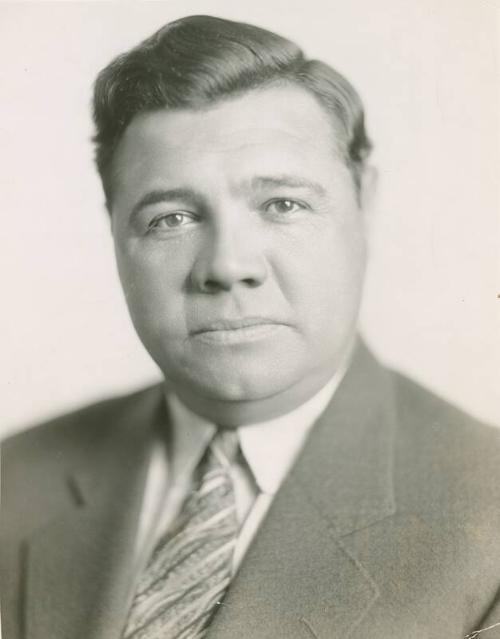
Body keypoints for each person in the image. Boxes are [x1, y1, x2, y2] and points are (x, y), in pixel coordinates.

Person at [1, 14, 499, 639]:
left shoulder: (490, 517)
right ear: (113, 229)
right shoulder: (12, 479)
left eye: (282, 205)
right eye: (172, 217)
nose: (228, 266)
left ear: (363, 202)